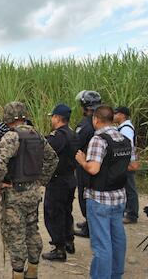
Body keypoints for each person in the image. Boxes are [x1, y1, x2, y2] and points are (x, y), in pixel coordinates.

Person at [0, 101, 58, 279]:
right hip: (33, 192)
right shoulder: (37, 135)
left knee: (15, 235)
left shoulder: (12, 136)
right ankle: (33, 271)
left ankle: (18, 274)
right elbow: (53, 159)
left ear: (7, 117)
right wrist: (41, 181)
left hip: (15, 194)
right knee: (32, 230)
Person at [75, 105, 133, 279]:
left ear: (96, 120)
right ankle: (116, 274)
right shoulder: (124, 138)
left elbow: (93, 169)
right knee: (117, 239)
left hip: (99, 198)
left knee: (101, 244)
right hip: (119, 196)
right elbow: (132, 165)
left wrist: (82, 161)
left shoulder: (99, 139)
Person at [42, 104, 79, 261]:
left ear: (57, 118)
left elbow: (44, 150)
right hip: (70, 178)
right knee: (66, 211)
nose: (51, 119)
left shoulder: (59, 136)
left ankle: (59, 249)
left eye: (52, 116)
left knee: (53, 213)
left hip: (58, 181)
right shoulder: (73, 133)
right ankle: (69, 241)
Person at [74, 90, 101, 238]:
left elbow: (76, 143)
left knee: (84, 194)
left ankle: (89, 228)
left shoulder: (86, 124)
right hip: (96, 163)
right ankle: (89, 222)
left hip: (85, 164)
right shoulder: (100, 120)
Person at [114, 106, 139, 224]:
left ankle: (132, 214)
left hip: (127, 162)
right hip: (127, 161)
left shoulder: (126, 129)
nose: (114, 116)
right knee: (127, 187)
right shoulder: (123, 127)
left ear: (122, 115)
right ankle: (128, 211)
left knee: (130, 188)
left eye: (116, 113)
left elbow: (127, 146)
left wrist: (126, 162)